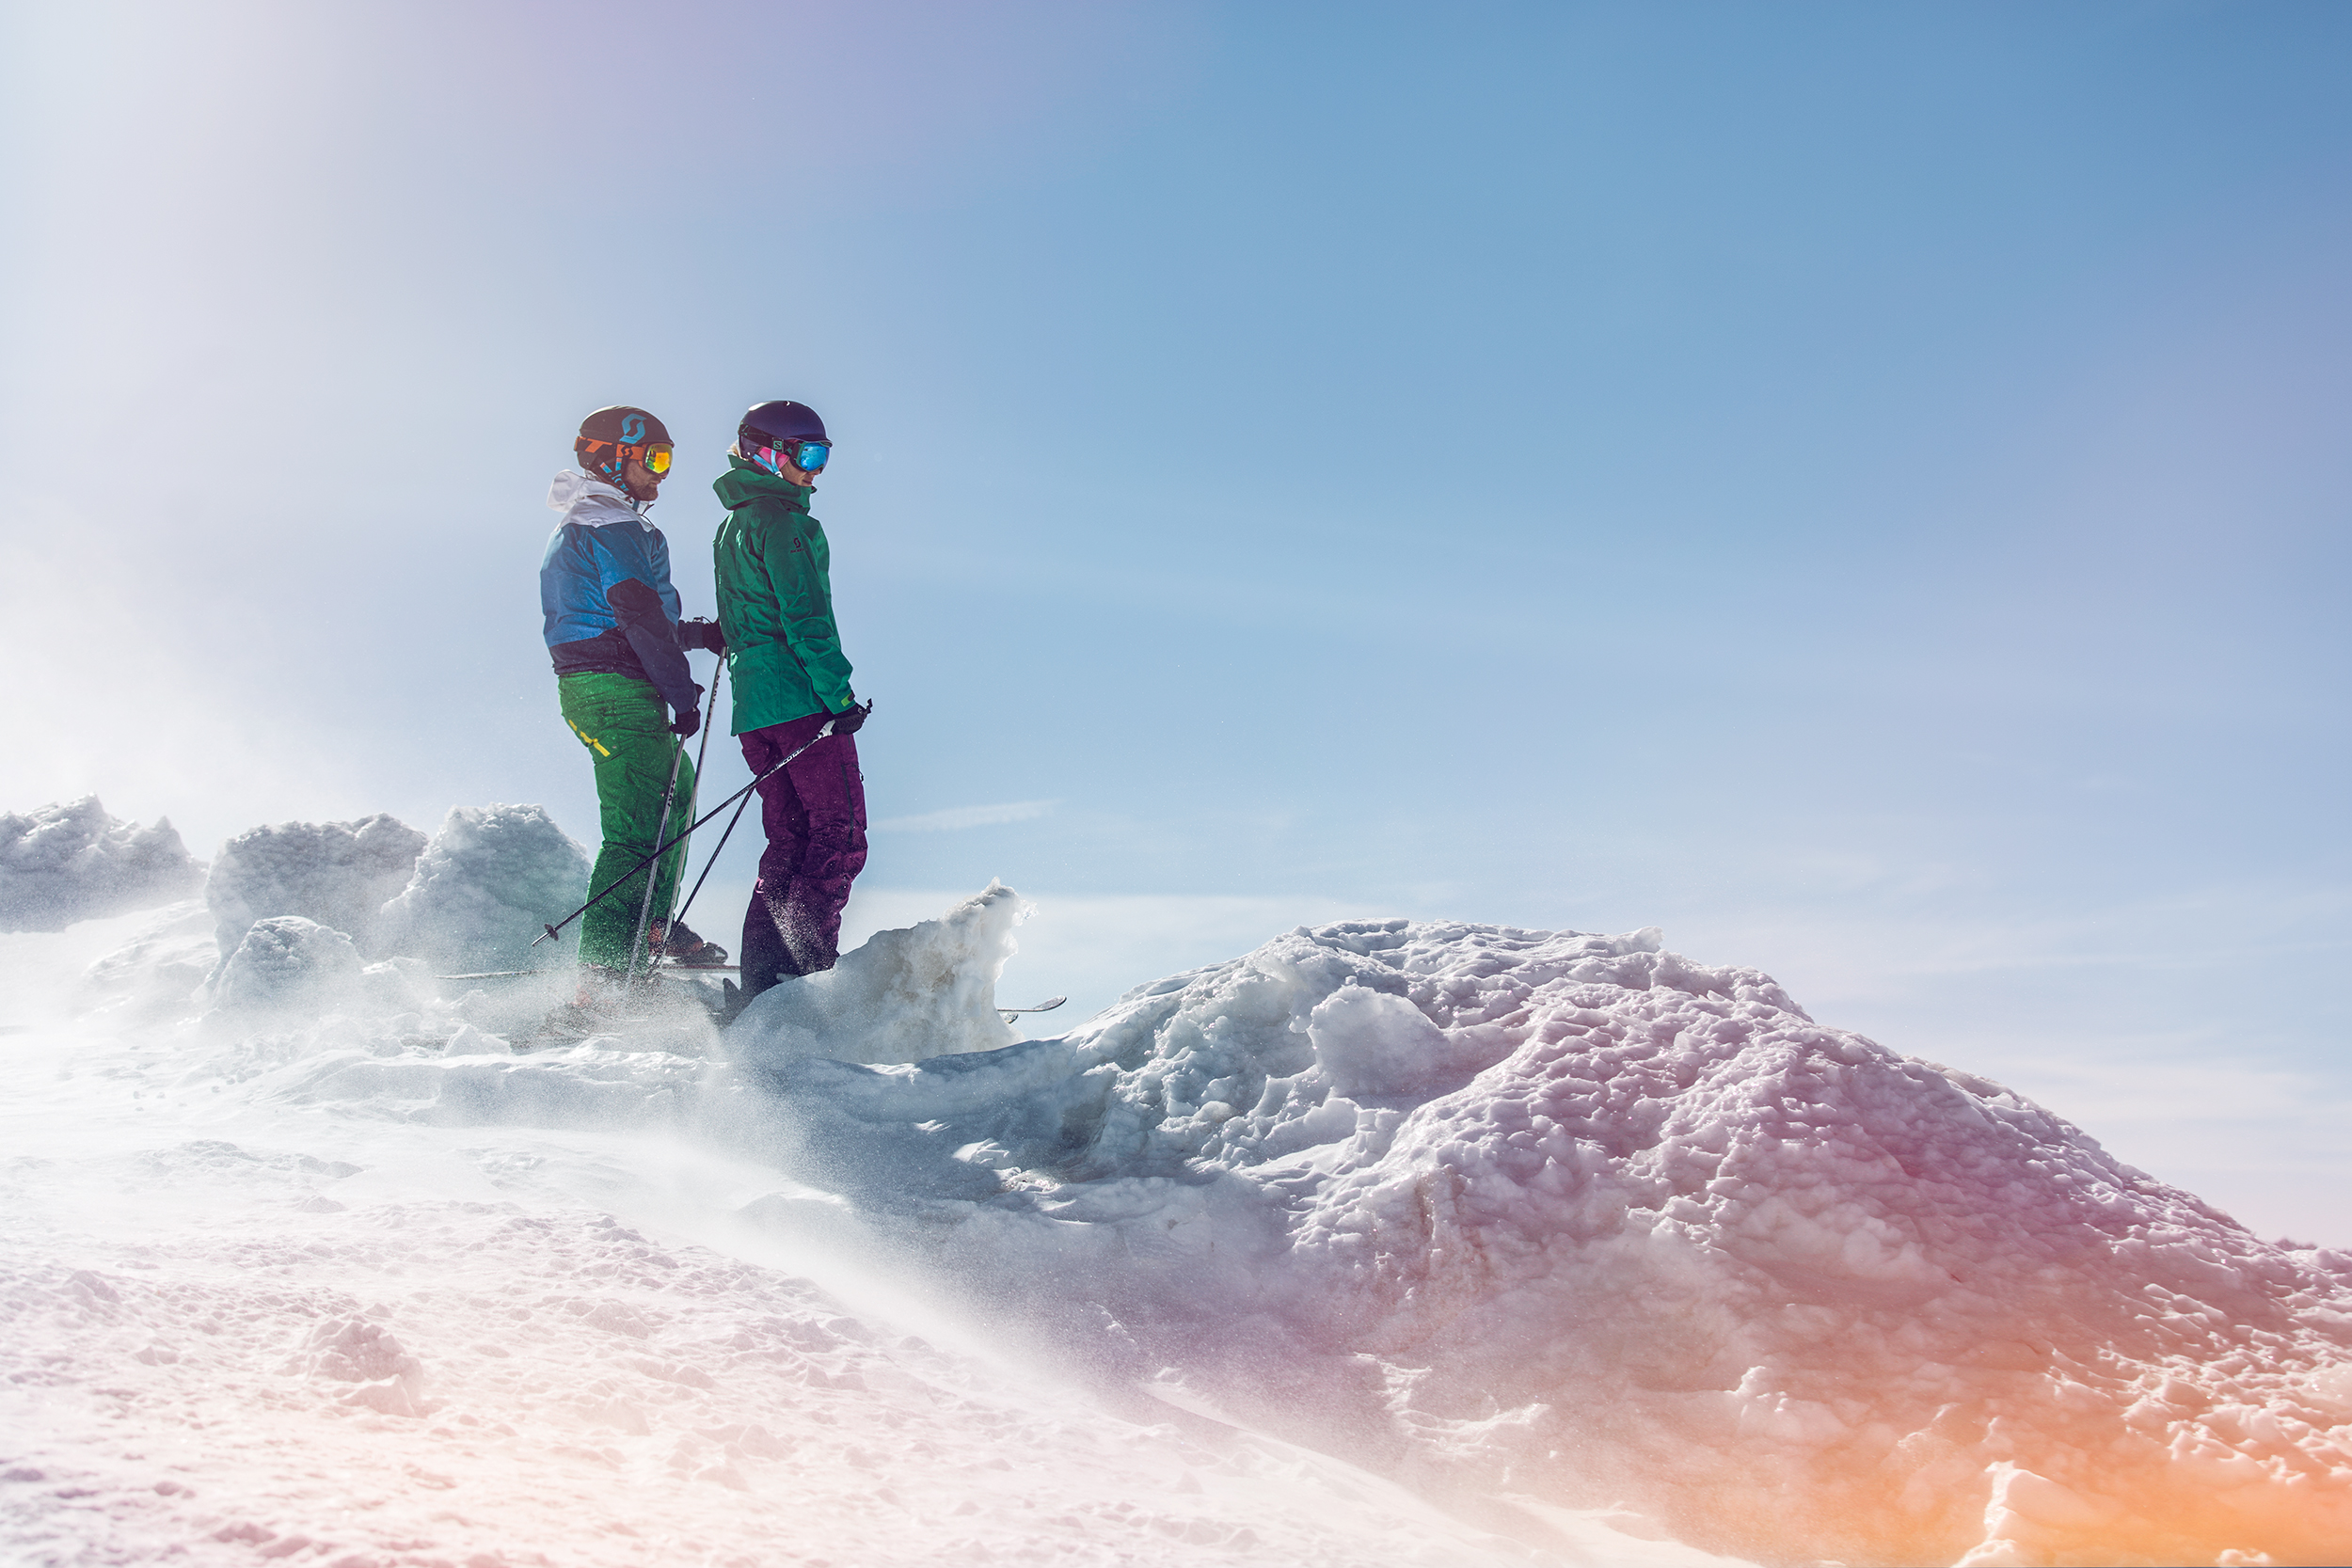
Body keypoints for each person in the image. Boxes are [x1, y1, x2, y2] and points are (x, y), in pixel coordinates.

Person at [539, 404, 727, 1022]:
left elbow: (633, 616)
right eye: (655, 458)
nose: (663, 473)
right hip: (612, 687)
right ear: (613, 458)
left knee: (674, 796)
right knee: (641, 821)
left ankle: (650, 927)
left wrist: (700, 636)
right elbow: (637, 616)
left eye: (667, 459)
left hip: (611, 682)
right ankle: (601, 977)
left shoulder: (605, 521)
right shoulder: (611, 523)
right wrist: (681, 690)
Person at [711, 399, 870, 1001]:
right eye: (807, 454)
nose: (815, 470)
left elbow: (741, 620)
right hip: (802, 701)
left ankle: (764, 981)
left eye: (823, 455)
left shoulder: (733, 525)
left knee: (790, 840)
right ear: (766, 453)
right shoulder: (784, 524)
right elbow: (806, 620)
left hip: (755, 710)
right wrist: (839, 697)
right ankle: (803, 976)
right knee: (839, 835)